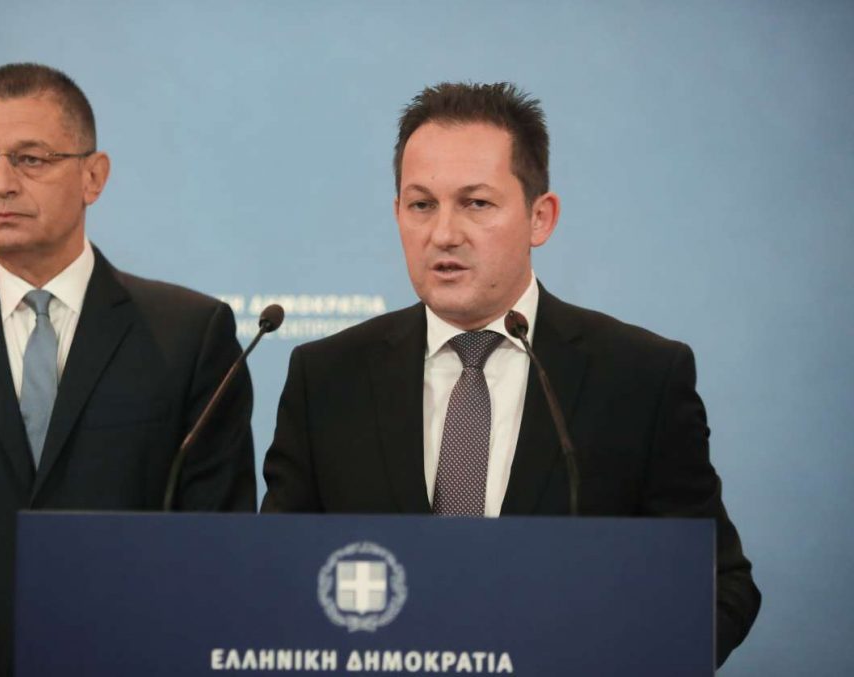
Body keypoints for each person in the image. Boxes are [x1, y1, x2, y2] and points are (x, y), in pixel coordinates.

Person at [261, 82, 759, 666]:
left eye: (476, 203)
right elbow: (277, 578)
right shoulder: (327, 379)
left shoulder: (639, 377)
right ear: (397, 214)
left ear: (539, 218)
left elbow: (718, 584)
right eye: (421, 205)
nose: (444, 233)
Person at [0, 63, 255, 676]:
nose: (1, 184)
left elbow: (217, 548)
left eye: (30, 159)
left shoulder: (190, 335)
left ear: (94, 176)